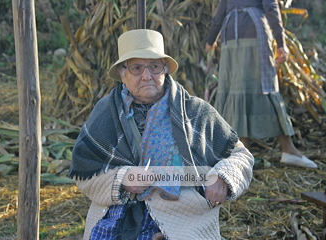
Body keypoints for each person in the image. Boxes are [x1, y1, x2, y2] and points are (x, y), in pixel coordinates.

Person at [69, 29, 254, 240]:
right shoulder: (106, 113)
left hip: (183, 213)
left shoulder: (194, 111)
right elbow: (84, 172)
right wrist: (121, 179)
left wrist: (223, 177)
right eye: (136, 68)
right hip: (119, 213)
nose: (147, 76)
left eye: (154, 67)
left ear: (165, 70)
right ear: (123, 74)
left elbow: (241, 155)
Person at [205, 0, 318, 169]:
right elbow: (271, 7)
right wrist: (281, 43)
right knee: (265, 87)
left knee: (239, 88)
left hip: (230, 33)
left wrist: (210, 39)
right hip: (253, 31)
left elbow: (220, 12)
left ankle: (243, 155)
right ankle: (288, 150)